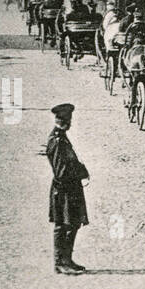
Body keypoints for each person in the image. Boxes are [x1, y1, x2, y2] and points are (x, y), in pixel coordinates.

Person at [45, 103, 89, 275]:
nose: (70, 122)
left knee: (73, 223)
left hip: (70, 188)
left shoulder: (62, 137)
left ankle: (67, 259)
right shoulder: (56, 141)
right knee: (63, 225)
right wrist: (79, 172)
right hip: (64, 189)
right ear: (63, 120)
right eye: (68, 120)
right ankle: (59, 262)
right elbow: (61, 170)